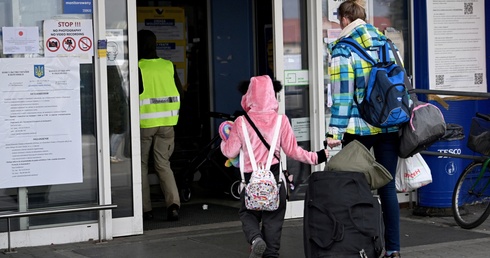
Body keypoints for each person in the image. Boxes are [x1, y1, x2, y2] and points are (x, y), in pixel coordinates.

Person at [220, 75, 329, 258]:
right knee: (273, 220)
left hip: (250, 181)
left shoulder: (241, 122)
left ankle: (255, 239)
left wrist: (224, 143)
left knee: (248, 213)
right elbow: (294, 151)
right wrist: (317, 157)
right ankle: (271, 253)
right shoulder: (281, 121)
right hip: (275, 180)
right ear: (272, 94)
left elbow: (230, 152)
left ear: (249, 95)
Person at [325, 0, 402, 257]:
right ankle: (393, 250)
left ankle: (362, 247)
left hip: (359, 130)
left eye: (338, 21)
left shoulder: (342, 50)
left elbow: (342, 97)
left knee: (356, 188)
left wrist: (334, 133)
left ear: (344, 19)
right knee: (387, 186)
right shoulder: (385, 42)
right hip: (389, 124)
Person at [138, 29, 184, 221]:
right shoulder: (168, 66)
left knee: (140, 166)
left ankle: (144, 209)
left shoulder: (138, 67)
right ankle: (173, 205)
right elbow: (180, 91)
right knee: (163, 164)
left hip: (145, 123)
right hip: (167, 123)